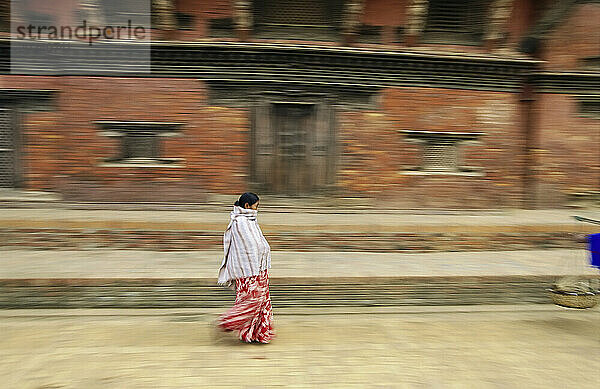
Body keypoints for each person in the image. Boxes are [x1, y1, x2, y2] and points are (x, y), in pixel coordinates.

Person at [214, 192, 275, 343]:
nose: (257, 209)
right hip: (247, 271)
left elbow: (258, 242)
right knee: (252, 301)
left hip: (259, 269)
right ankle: (226, 322)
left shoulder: (250, 220)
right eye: (256, 206)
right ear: (247, 206)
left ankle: (257, 334)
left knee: (263, 301)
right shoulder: (240, 222)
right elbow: (246, 248)